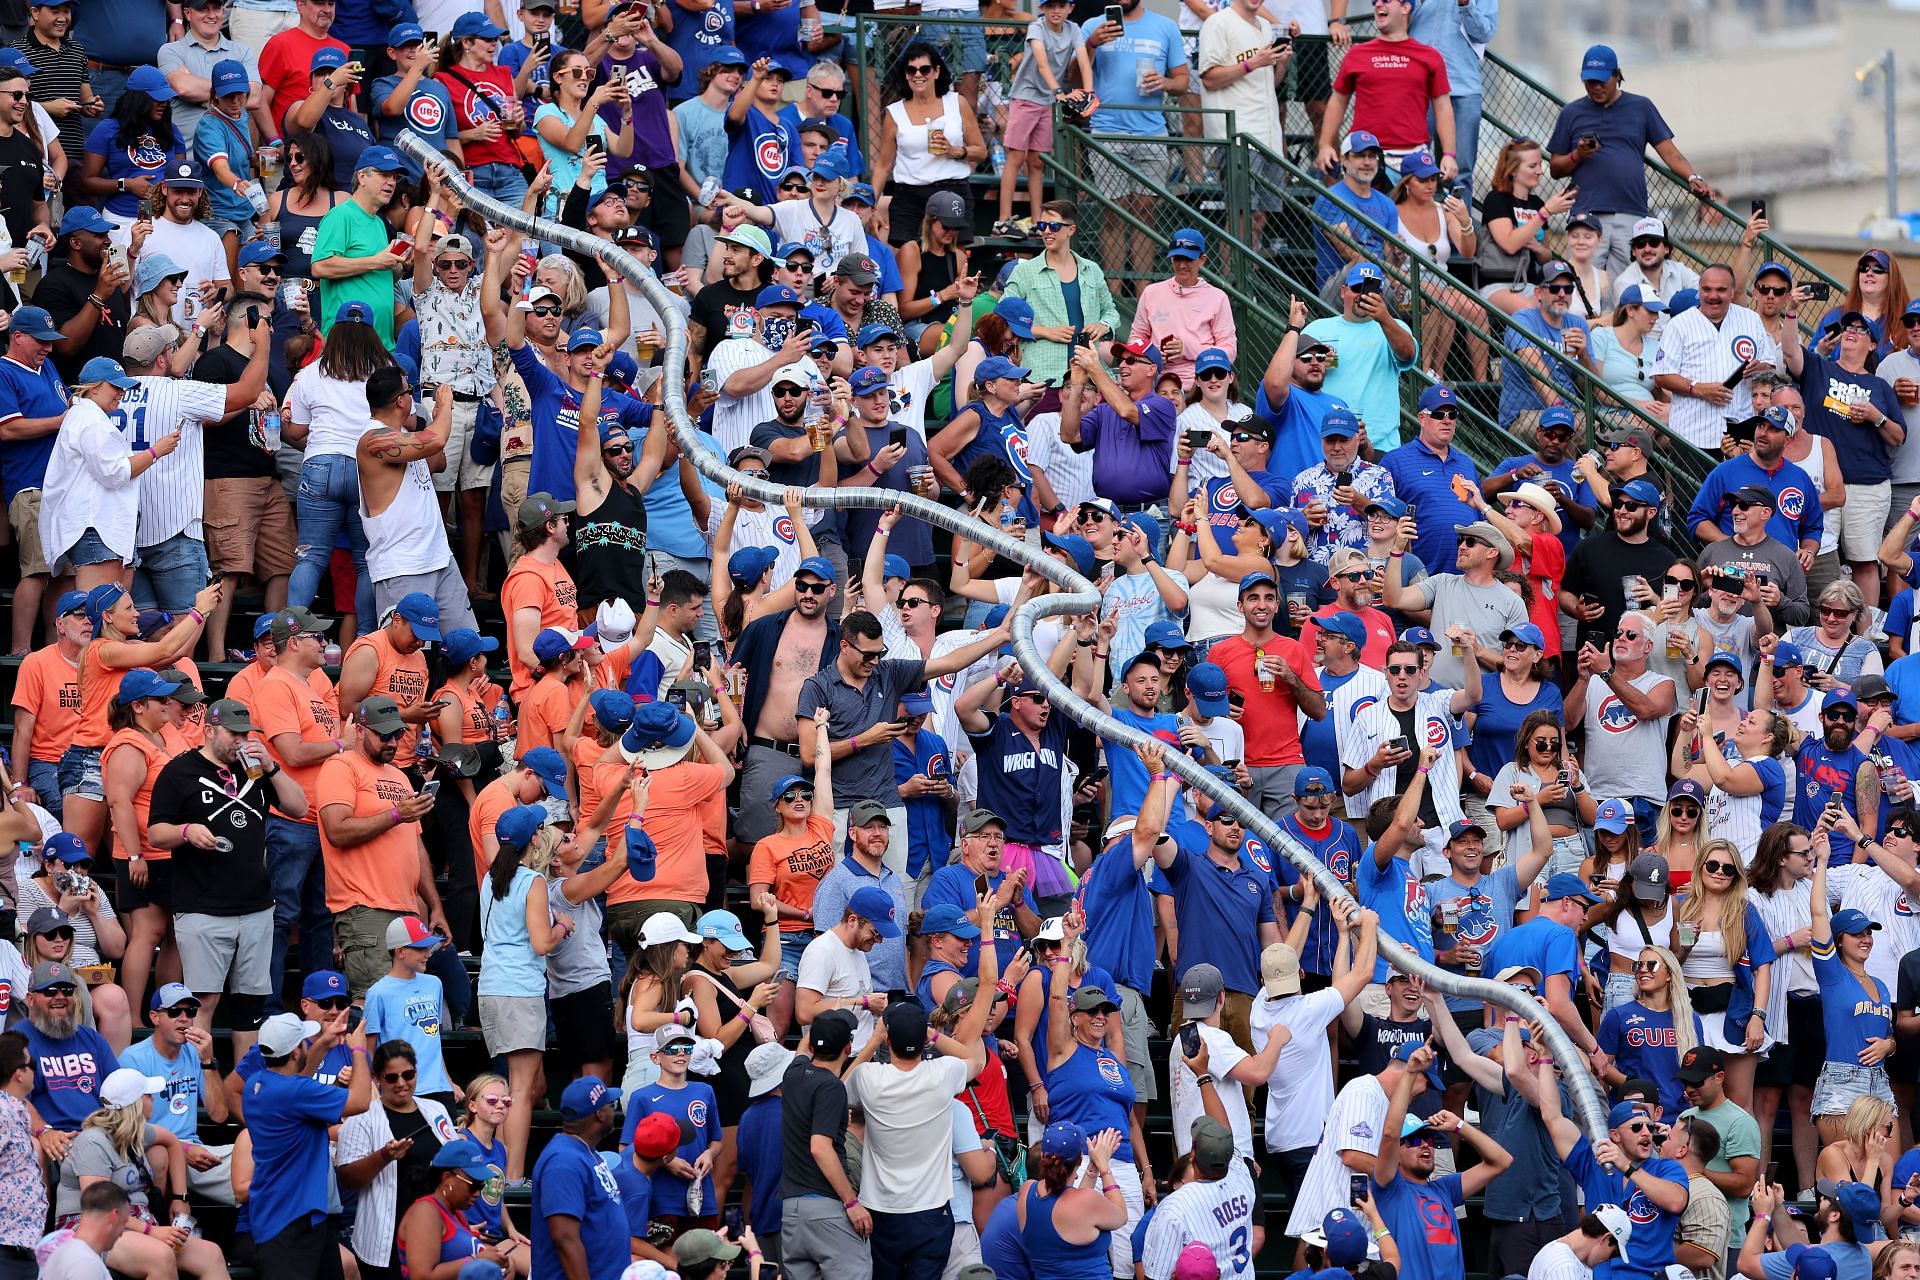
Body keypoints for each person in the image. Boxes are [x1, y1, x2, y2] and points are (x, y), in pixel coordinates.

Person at [846, 929, 995, 1280]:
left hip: (883, 1213)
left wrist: (872, 1043)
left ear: (890, 1040)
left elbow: (837, 1091)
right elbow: (973, 1056)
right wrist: (933, 1035)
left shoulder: (870, 1078)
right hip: (930, 1214)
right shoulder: (941, 1074)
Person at [1545, 44, 1716, 275]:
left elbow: (1670, 152)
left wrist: (1692, 176)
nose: (1595, 87)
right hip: (1588, 213)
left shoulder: (1641, 107)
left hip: (1631, 210)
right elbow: (1555, 168)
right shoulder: (1571, 113)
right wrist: (1578, 155)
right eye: (1589, 82)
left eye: (1601, 81)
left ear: (1617, 76)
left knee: (1626, 291)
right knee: (1582, 284)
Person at [245, 1010, 372, 1280]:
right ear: (294, 1052)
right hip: (291, 1225)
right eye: (304, 1041)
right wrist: (359, 1049)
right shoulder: (296, 1092)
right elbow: (361, 1100)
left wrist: (324, 1042)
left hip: (291, 1217)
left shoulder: (256, 1083)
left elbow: (300, 1072)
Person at [1652, 264, 1782, 453]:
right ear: (1699, 290)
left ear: (1732, 292)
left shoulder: (1750, 319)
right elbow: (1662, 375)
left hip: (1740, 433)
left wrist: (1758, 367)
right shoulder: (1679, 325)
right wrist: (1697, 388)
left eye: (1721, 289)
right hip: (1691, 435)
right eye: (1707, 289)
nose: (1713, 296)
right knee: (1691, 484)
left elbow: (1770, 364)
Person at [531, 1076, 629, 1280]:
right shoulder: (563, 1162)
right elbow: (564, 1237)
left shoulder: (582, 1152)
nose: (613, 1110)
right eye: (610, 1105)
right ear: (600, 1114)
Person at [310, 144, 405, 346]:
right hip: (347, 346)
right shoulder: (341, 215)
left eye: (395, 177)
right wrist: (376, 261)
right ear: (362, 177)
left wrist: (397, 266)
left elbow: (378, 275)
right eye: (384, 174)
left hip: (381, 344)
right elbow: (320, 267)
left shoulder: (379, 222)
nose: (391, 182)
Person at [40, 1182, 133, 1280]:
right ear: (114, 1216)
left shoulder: (60, 1253)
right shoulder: (85, 1263)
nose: (122, 1233)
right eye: (123, 1222)